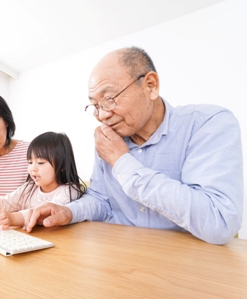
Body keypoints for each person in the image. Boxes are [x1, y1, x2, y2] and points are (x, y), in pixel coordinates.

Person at [24, 46, 243, 245]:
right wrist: (68, 212)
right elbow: (101, 200)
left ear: (151, 85)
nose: (101, 115)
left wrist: (121, 161)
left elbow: (219, 223)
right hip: (118, 257)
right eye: (95, 106)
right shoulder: (108, 140)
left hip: (186, 266)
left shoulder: (208, 124)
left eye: (109, 98)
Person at [0, 132, 87, 229]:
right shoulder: (29, 188)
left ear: (63, 166)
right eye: (30, 162)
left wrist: (13, 218)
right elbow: (6, 202)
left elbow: (42, 214)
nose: (32, 169)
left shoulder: (69, 191)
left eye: (40, 162)